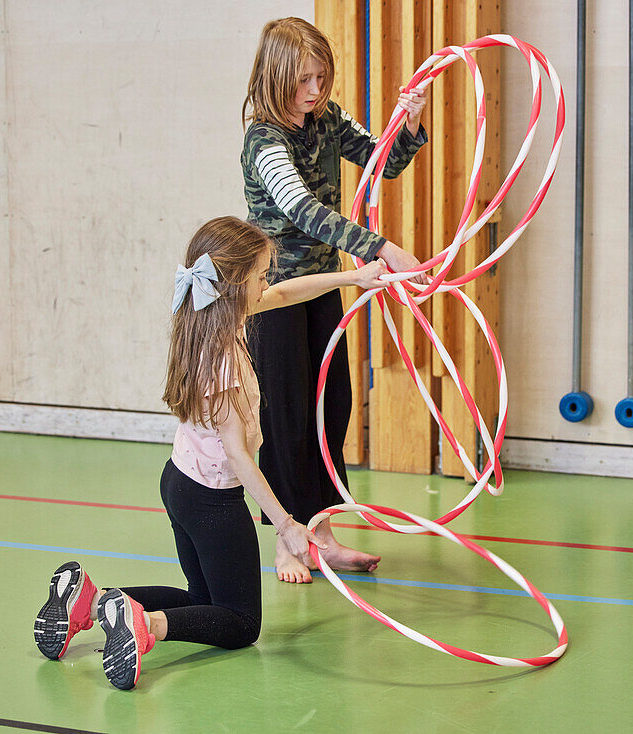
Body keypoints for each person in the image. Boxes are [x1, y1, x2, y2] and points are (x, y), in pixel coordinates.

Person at [33, 216, 388, 690]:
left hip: (179, 483)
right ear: (237, 282)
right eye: (262, 274)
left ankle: (90, 601)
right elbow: (240, 457)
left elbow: (285, 294)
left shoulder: (205, 318)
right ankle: (147, 628)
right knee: (240, 623)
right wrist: (287, 526)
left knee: (201, 596)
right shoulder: (226, 361)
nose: (268, 282)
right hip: (213, 503)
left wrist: (354, 277)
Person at [241, 17, 430, 584]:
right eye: (303, 80)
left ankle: (321, 533)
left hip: (324, 286)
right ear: (276, 78)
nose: (315, 90)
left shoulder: (325, 118)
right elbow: (299, 209)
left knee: (332, 409)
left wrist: (411, 122)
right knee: (286, 416)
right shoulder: (263, 139)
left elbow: (383, 163)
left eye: (321, 77)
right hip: (273, 294)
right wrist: (379, 247)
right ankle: (286, 539)